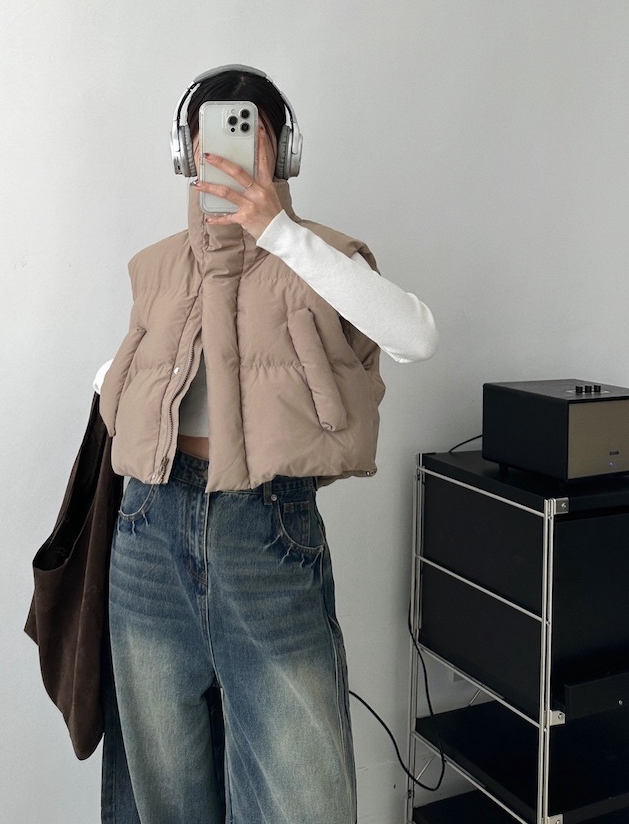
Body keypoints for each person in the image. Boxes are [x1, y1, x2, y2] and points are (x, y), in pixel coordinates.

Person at [95, 65, 437, 824]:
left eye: (245, 134)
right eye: (206, 137)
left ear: (281, 152)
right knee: (163, 786)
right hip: (147, 528)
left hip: (267, 529)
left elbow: (416, 338)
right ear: (185, 153)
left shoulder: (323, 256)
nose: (219, 153)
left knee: (298, 793)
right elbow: (127, 373)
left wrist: (278, 232)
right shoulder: (155, 266)